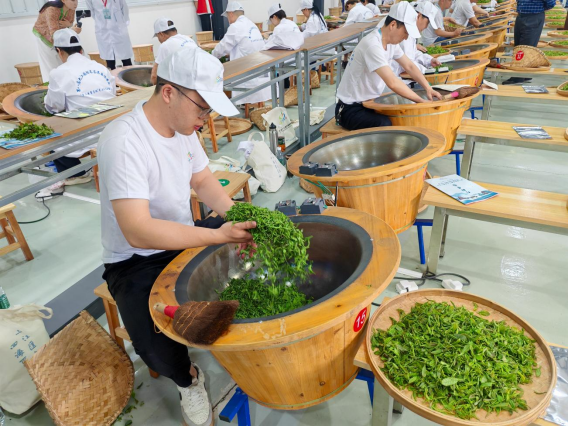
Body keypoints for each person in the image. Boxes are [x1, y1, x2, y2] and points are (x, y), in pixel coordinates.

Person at [98, 47, 255, 426]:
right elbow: (137, 230)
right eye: (202, 108)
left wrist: (237, 217)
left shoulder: (185, 128)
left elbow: (203, 181)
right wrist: (218, 236)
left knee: (251, 260)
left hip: (183, 237)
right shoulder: (124, 140)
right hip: (135, 261)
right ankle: (188, 381)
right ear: (169, 92)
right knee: (156, 345)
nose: (206, 118)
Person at [335, 2, 442, 131]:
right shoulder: (372, 45)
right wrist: (421, 101)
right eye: (405, 32)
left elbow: (409, 65)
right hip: (350, 109)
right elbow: (392, 82)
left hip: (370, 103)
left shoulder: (391, 43)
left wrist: (428, 88)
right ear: (393, 25)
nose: (406, 37)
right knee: (386, 123)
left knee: (402, 116)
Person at [37, 29, 116, 199]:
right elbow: (112, 94)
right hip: (111, 125)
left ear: (59, 51)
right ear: (81, 49)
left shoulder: (59, 73)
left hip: (86, 131)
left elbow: (53, 107)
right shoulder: (99, 67)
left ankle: (76, 174)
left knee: (50, 137)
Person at [211, 2, 271, 105]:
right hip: (260, 68)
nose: (228, 19)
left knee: (219, 77)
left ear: (231, 14)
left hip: (247, 71)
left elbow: (223, 47)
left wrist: (211, 56)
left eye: (227, 16)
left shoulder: (236, 27)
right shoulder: (251, 24)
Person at [502, 0, 555, 84]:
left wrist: (538, 9)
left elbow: (550, 3)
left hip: (534, 16)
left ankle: (519, 77)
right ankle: (525, 73)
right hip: (521, 15)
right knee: (518, 45)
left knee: (527, 45)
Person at [390, 2, 441, 85]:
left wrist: (429, 60)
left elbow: (413, 53)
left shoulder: (411, 32)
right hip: (396, 78)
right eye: (427, 22)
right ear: (419, 16)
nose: (426, 27)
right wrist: (426, 71)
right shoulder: (405, 31)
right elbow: (408, 63)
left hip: (399, 78)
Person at [32, 0, 81, 81]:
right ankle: (50, 85)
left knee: (63, 64)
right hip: (44, 37)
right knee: (49, 67)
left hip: (59, 38)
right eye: (72, 0)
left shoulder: (71, 8)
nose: (75, 3)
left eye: (76, 0)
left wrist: (69, 25)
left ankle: (63, 84)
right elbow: (54, 33)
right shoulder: (51, 10)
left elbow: (70, 23)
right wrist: (70, 30)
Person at [85, 0, 133, 70]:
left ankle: (129, 75)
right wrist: (101, 22)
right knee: (110, 62)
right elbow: (92, 12)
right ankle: (112, 76)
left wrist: (123, 24)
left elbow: (124, 8)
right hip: (103, 30)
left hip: (118, 29)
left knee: (126, 60)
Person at [151, 18, 197, 85]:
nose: (159, 40)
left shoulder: (165, 46)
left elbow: (154, 77)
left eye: (157, 36)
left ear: (161, 34)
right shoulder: (188, 39)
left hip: (187, 84)